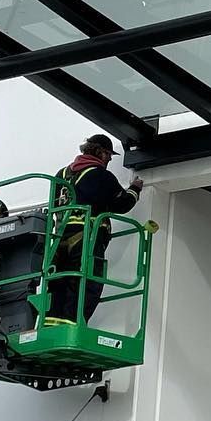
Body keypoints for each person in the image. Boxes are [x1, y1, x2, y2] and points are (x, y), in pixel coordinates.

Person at [46, 133, 144, 324]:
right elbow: (122, 204)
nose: (108, 159)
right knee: (88, 283)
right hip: (86, 240)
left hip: (58, 240)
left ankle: (52, 325)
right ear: (99, 152)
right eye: (108, 155)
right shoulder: (99, 175)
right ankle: (74, 325)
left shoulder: (61, 175)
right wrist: (135, 189)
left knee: (59, 282)